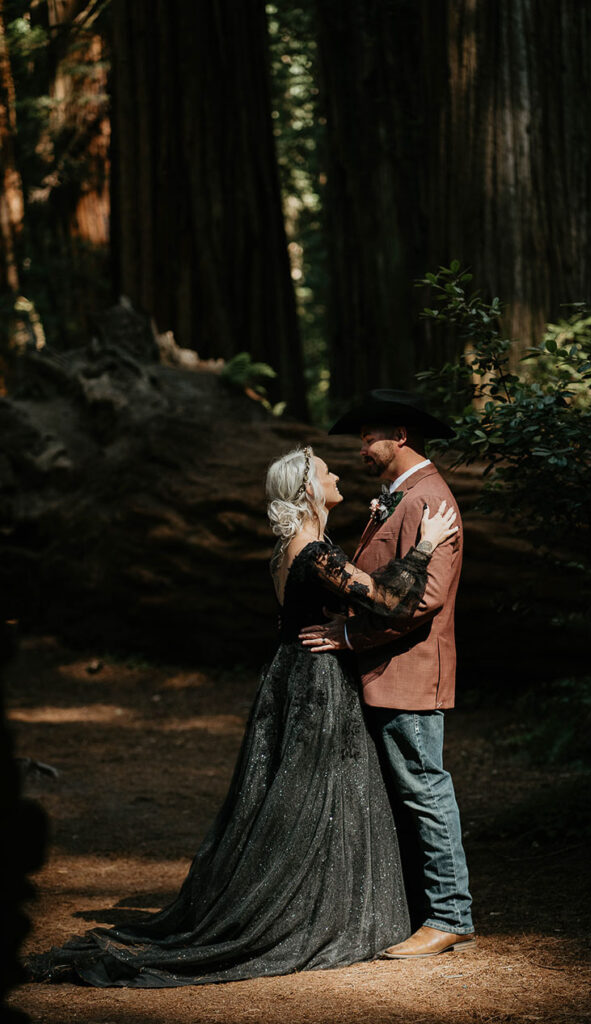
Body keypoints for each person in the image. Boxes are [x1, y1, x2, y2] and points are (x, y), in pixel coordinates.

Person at [25, 445, 457, 987]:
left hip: (288, 676)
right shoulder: (313, 550)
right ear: (307, 490)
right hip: (317, 684)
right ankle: (310, 909)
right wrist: (425, 548)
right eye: (326, 472)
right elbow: (383, 598)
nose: (337, 474)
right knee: (315, 795)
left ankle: (323, 899)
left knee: (295, 794)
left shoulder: (287, 548)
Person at [299, 389, 475, 959]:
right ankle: (416, 910)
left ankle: (450, 916)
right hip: (387, 668)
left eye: (367, 436)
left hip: (410, 668)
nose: (360, 448)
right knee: (404, 792)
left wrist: (349, 636)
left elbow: (419, 601)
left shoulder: (429, 499)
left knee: (424, 789)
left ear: (399, 436)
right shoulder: (398, 496)